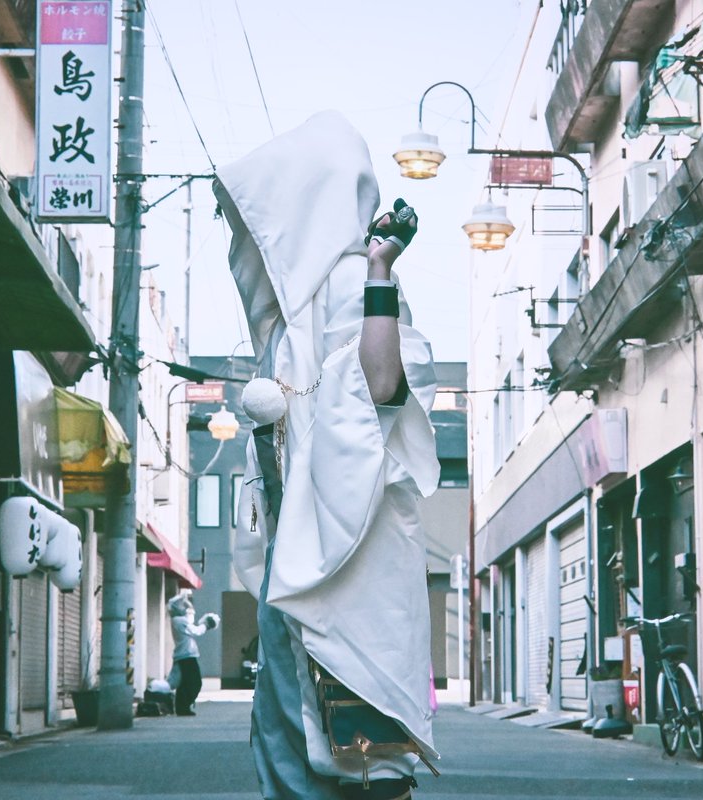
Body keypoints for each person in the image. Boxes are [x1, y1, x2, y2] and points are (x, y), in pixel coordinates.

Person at [214, 111, 441, 800]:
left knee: (345, 743)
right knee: (299, 730)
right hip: (299, 557)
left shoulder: (348, 283)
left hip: (345, 560)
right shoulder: (292, 316)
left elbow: (381, 387)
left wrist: (378, 272)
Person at [167, 589, 218, 716]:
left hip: (185, 655)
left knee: (184, 682)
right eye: (182, 605)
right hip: (186, 655)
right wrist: (206, 625)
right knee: (194, 682)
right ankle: (183, 707)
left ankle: (182, 707)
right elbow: (196, 631)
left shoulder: (177, 620)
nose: (185, 608)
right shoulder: (180, 621)